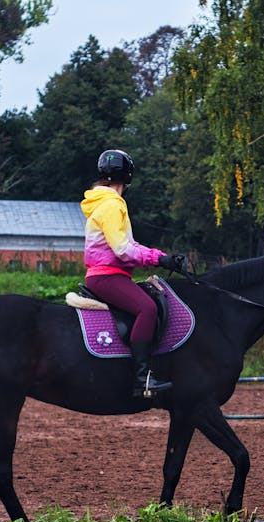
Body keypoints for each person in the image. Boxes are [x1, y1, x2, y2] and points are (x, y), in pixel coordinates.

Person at [81, 149, 184, 397]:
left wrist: (160, 257)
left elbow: (130, 245)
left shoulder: (102, 203)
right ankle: (142, 380)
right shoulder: (112, 205)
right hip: (107, 275)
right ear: (127, 178)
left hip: (108, 274)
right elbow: (122, 249)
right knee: (146, 308)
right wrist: (158, 259)